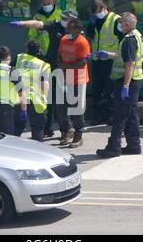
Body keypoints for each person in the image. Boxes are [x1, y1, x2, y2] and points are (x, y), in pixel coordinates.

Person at [10, 9, 79, 138]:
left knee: (62, 100)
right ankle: (48, 127)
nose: (63, 21)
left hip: (67, 68)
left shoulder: (76, 32)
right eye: (62, 18)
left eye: (66, 19)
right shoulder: (56, 25)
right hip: (52, 64)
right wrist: (22, 23)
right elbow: (38, 24)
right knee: (50, 99)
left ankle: (67, 129)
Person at [97, 12, 143, 158]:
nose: (119, 25)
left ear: (128, 24)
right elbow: (125, 56)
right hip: (135, 80)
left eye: (122, 22)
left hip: (127, 81)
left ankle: (114, 147)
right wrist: (108, 55)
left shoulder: (129, 40)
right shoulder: (136, 35)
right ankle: (134, 145)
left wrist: (125, 85)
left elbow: (130, 63)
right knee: (131, 114)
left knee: (120, 115)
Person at [86, 0, 122, 126]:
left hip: (110, 60)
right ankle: (98, 115)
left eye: (98, 12)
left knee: (111, 90)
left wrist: (114, 54)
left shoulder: (115, 20)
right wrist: (91, 24)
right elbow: (91, 35)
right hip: (97, 59)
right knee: (97, 90)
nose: (97, 15)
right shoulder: (95, 20)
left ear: (104, 8)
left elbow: (122, 38)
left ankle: (112, 115)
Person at [57, 18, 91, 148]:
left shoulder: (82, 42)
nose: (67, 31)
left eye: (70, 29)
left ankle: (78, 134)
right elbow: (59, 55)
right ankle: (67, 130)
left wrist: (65, 67)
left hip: (78, 79)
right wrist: (61, 66)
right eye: (67, 29)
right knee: (61, 107)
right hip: (64, 77)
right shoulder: (64, 40)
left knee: (76, 108)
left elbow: (82, 62)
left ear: (77, 30)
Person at [14, 41, 51, 142]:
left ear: (27, 49)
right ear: (39, 51)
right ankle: (38, 153)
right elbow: (45, 84)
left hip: (18, 97)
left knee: (16, 129)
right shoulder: (44, 65)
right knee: (37, 129)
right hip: (34, 99)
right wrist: (44, 99)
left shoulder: (19, 58)